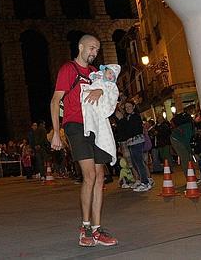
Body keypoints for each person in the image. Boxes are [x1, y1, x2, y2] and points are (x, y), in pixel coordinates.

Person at [50, 34, 118, 247]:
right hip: (75, 125)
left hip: (95, 126)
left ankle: (97, 229)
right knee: (89, 175)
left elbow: (109, 90)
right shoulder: (68, 69)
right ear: (80, 46)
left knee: (99, 176)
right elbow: (55, 101)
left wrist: (100, 89)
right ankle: (85, 227)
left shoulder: (95, 73)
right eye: (91, 48)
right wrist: (55, 132)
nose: (94, 52)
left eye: (97, 50)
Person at [81, 64, 121, 167]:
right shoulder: (98, 77)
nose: (111, 76)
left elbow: (112, 97)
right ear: (104, 71)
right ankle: (88, 126)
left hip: (101, 107)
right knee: (86, 101)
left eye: (113, 76)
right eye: (110, 72)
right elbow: (91, 78)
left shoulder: (112, 86)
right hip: (89, 103)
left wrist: (103, 91)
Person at [117, 101, 152, 192]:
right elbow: (124, 131)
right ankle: (143, 181)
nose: (128, 108)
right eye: (126, 107)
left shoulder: (135, 117)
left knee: (139, 162)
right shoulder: (127, 118)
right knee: (135, 163)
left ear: (133, 106)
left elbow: (133, 130)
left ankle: (145, 182)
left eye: (129, 106)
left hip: (137, 141)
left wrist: (123, 121)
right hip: (130, 143)